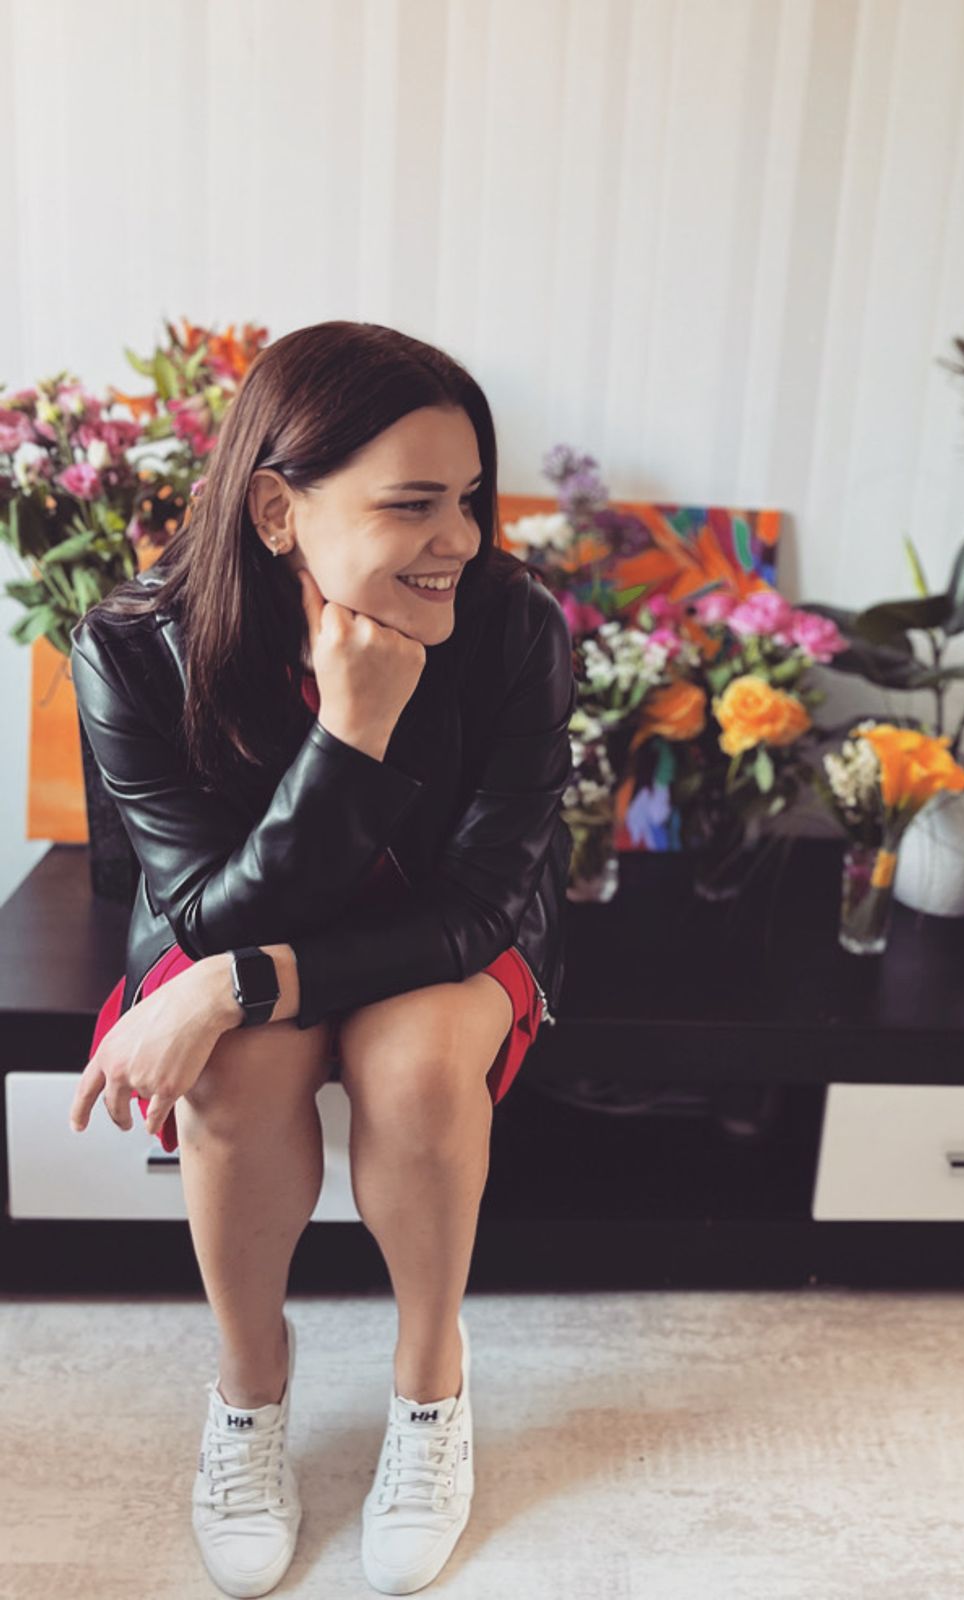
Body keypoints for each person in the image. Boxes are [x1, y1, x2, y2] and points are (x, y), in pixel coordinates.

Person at [65, 320, 575, 1596]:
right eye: (412, 503)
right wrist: (348, 736)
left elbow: (481, 899)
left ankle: (429, 1387)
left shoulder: (514, 627)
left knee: (414, 1066)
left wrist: (242, 984)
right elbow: (202, 913)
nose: (459, 537)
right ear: (277, 511)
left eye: (469, 498)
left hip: (449, 937)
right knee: (233, 1073)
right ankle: (249, 1391)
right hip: (226, 927)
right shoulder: (132, 647)